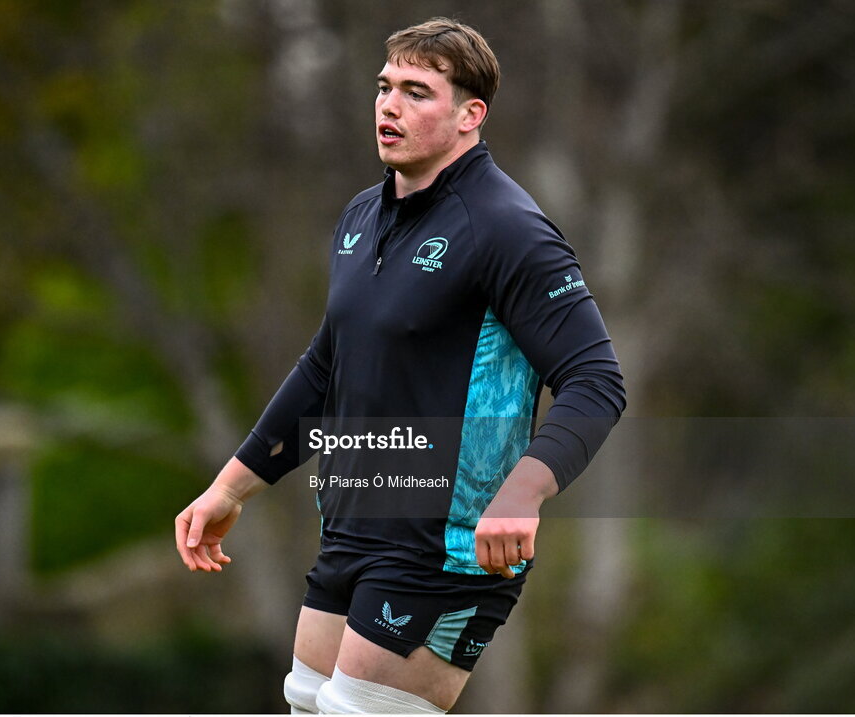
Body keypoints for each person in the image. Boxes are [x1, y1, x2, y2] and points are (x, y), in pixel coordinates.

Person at [175, 17, 625, 714]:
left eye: (417, 93)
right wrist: (231, 488)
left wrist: (523, 493)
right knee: (306, 703)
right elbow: (324, 368)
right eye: (385, 88)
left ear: (470, 115)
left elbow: (597, 381)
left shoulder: (507, 228)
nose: (389, 105)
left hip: (444, 552)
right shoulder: (361, 217)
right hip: (350, 532)